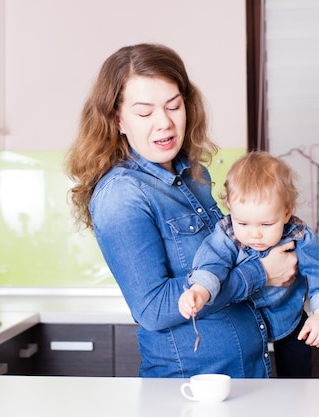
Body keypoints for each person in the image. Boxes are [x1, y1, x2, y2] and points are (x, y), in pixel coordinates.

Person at [65, 43, 298, 378]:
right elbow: (153, 308)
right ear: (117, 119)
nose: (164, 123)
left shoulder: (191, 176)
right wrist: (261, 274)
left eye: (173, 107)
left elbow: (224, 257)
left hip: (244, 375)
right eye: (145, 113)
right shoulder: (122, 194)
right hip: (191, 386)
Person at [178, 151, 319, 377]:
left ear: (287, 212)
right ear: (229, 205)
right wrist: (199, 291)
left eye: (267, 224)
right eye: (244, 223)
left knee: (297, 370)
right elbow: (212, 264)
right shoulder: (226, 234)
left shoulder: (299, 236)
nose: (255, 234)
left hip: (288, 317)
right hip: (244, 322)